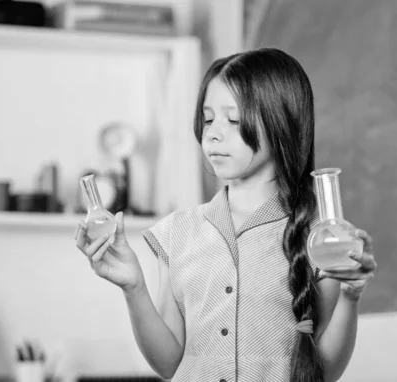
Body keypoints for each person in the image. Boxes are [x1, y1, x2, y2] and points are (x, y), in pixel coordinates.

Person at [74, 47, 378, 382]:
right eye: (208, 119)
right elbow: (169, 363)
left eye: (233, 119)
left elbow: (324, 371)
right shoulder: (177, 231)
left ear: (282, 123)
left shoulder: (321, 238)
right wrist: (134, 288)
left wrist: (351, 295)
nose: (213, 133)